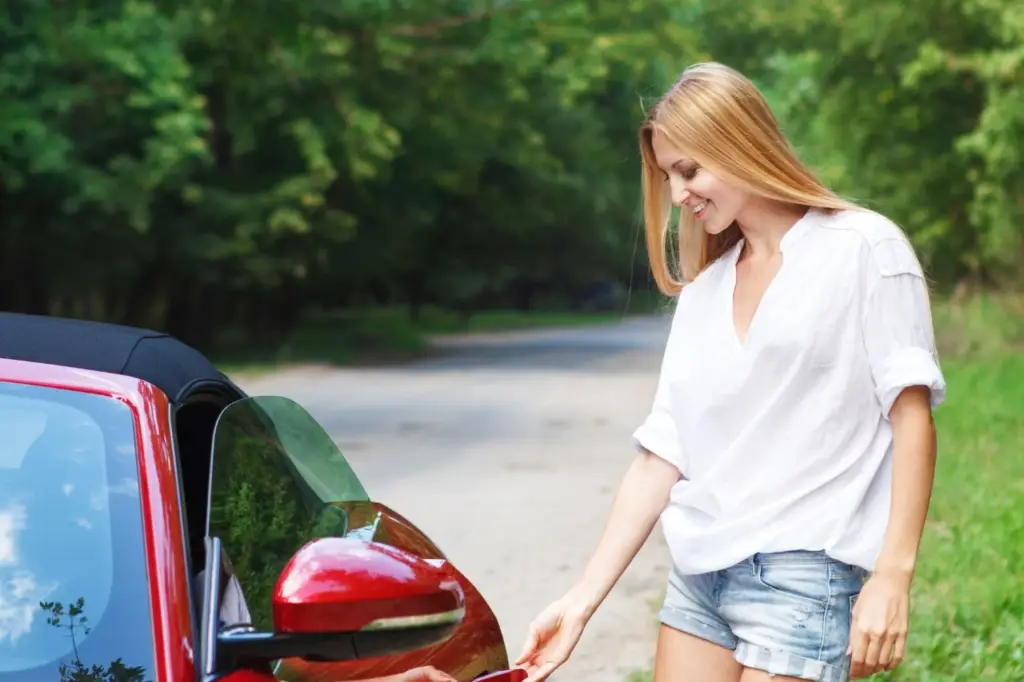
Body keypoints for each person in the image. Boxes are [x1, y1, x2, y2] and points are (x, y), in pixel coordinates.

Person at [515, 62, 945, 682]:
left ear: (739, 143)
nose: (680, 193)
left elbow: (911, 420)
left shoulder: (863, 249)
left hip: (805, 577)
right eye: (669, 177)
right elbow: (662, 455)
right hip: (699, 581)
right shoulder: (704, 292)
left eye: (689, 170)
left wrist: (893, 575)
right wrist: (580, 603)